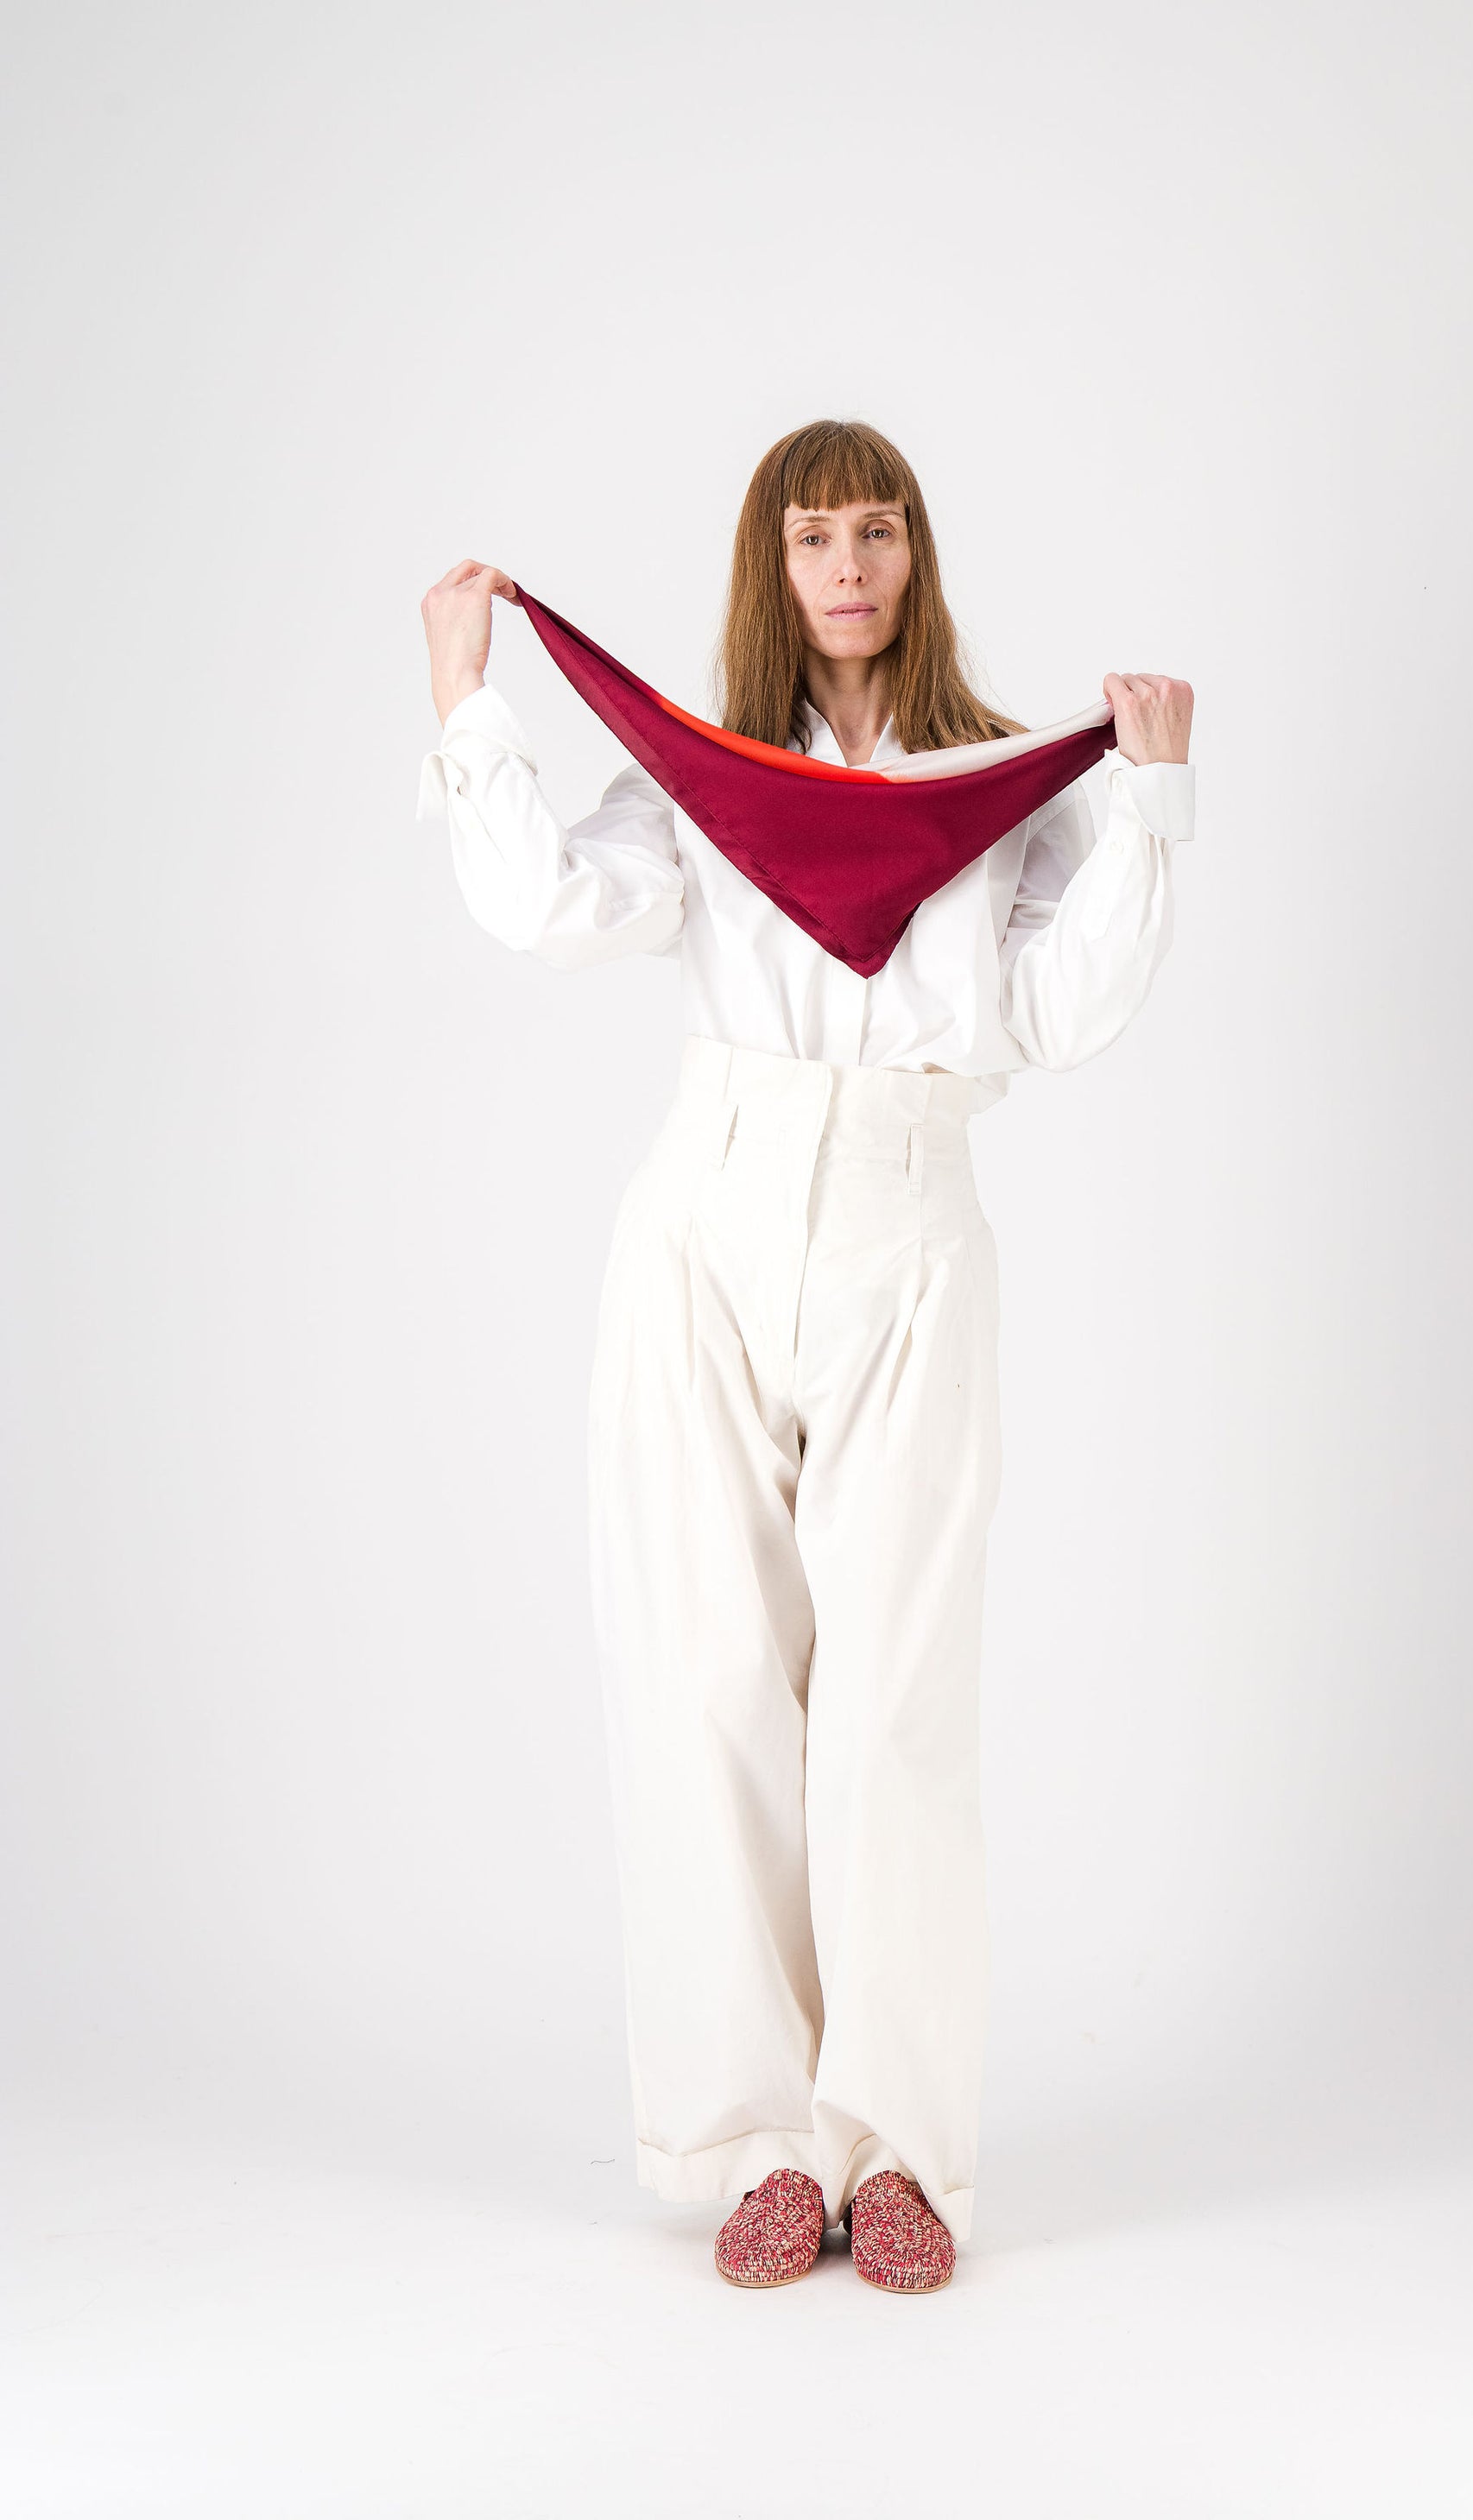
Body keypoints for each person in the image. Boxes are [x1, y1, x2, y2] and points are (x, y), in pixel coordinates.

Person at [416, 419, 1194, 2295]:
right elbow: (549, 906)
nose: (848, 566)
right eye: (812, 536)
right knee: (703, 1683)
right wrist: (466, 698)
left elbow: (1064, 1011)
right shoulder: (710, 780)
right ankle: (758, 2140)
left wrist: (1155, 799)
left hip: (910, 1228)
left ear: (917, 555)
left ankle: (897, 2149)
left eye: (878, 530)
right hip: (709, 1214)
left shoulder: (997, 784)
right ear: (770, 566)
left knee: (894, 1702)